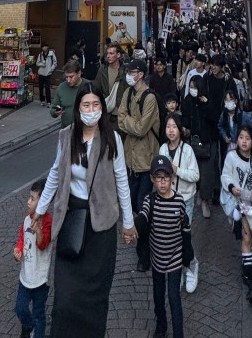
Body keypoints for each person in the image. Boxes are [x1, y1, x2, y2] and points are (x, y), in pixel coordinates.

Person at [35, 85, 137, 338]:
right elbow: (56, 174)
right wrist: (40, 209)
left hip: (101, 224)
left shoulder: (112, 139)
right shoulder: (66, 136)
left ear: (102, 108)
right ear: (78, 107)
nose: (91, 111)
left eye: (96, 105)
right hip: (73, 217)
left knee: (95, 294)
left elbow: (121, 180)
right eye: (86, 105)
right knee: (66, 294)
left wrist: (128, 221)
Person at [136, 155, 189, 338]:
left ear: (172, 178)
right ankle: (161, 325)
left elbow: (184, 226)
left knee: (174, 297)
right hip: (157, 257)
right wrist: (135, 224)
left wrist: (187, 254)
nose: (163, 183)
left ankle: (178, 333)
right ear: (152, 179)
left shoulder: (179, 201)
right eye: (158, 178)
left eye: (166, 177)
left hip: (175, 256)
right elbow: (143, 215)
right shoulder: (150, 201)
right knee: (158, 297)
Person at [117, 57, 161, 263]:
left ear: (140, 74)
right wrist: (130, 123)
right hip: (129, 158)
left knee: (142, 204)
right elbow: (120, 119)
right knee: (133, 203)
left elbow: (142, 128)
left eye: (132, 71)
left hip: (146, 158)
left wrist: (129, 123)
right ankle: (145, 234)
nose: (129, 75)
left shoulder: (149, 97)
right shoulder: (127, 93)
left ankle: (144, 253)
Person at [220, 124, 252, 306]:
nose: (244, 141)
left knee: (250, 237)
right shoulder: (231, 157)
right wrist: (232, 187)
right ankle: (251, 283)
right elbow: (225, 176)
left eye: (247, 138)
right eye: (241, 137)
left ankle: (246, 261)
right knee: (246, 236)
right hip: (238, 203)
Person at [159, 112, 200, 293]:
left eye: (174, 127)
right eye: (168, 127)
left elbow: (195, 175)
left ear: (180, 130)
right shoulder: (162, 149)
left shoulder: (188, 150)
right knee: (173, 236)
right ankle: (180, 269)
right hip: (168, 200)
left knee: (184, 236)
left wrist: (177, 170)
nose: (171, 130)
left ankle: (191, 266)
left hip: (185, 200)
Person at [13, 177, 52, 338]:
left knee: (39, 314)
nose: (28, 202)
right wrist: (18, 250)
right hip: (25, 276)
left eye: (32, 199)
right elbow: (22, 238)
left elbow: (43, 245)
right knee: (20, 308)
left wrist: (39, 231)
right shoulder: (26, 220)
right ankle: (29, 327)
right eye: (29, 197)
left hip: (40, 279)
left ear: (43, 202)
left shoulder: (48, 221)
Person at [181, 74, 217, 219]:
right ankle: (197, 195)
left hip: (208, 141)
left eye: (195, 87)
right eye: (191, 87)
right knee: (194, 170)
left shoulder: (208, 101)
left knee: (207, 171)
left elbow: (214, 119)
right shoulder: (187, 101)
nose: (192, 90)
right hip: (192, 141)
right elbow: (185, 117)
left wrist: (206, 105)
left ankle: (205, 199)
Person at [93, 42, 129, 131]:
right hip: (106, 112)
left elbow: (129, 91)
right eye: (107, 53)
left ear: (118, 55)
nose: (108, 56)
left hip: (121, 113)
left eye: (111, 53)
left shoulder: (125, 71)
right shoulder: (102, 70)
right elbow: (96, 89)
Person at [218, 88, 252, 154]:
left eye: (231, 99)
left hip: (243, 149)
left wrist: (246, 138)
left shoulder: (243, 116)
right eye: (227, 100)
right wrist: (224, 136)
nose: (229, 102)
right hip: (230, 147)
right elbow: (220, 127)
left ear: (236, 101)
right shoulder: (224, 115)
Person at [50, 60, 83, 128]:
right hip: (66, 130)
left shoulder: (88, 86)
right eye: (66, 77)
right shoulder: (61, 88)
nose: (68, 80)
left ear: (79, 73)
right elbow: (53, 109)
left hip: (85, 130)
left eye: (71, 77)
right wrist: (55, 112)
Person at [36, 43, 57, 107]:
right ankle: (42, 100)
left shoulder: (51, 54)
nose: (44, 48)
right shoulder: (40, 54)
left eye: (45, 46)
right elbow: (37, 63)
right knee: (41, 87)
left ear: (47, 47)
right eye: (43, 47)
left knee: (47, 87)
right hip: (41, 73)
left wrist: (51, 69)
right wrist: (42, 64)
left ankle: (48, 101)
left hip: (48, 73)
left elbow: (55, 62)